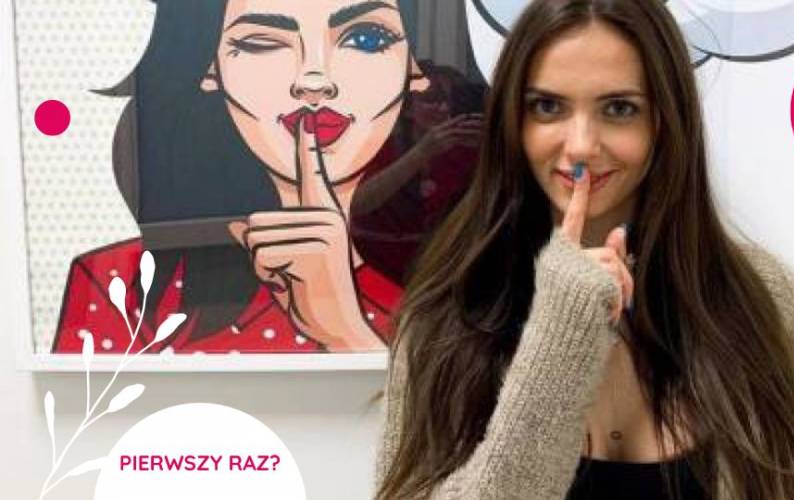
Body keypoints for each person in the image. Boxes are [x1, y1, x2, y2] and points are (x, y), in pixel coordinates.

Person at [374, 0, 794, 499]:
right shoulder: (446, 311)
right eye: (548, 107)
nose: (581, 145)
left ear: (665, 121)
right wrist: (560, 336)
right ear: (512, 122)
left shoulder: (763, 298)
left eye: (619, 108)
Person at [51, 0, 486, 354]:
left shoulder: (463, 151)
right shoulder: (101, 284)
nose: (313, 80)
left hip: (434, 288)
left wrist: (345, 330)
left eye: (364, 39)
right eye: (263, 43)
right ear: (214, 74)